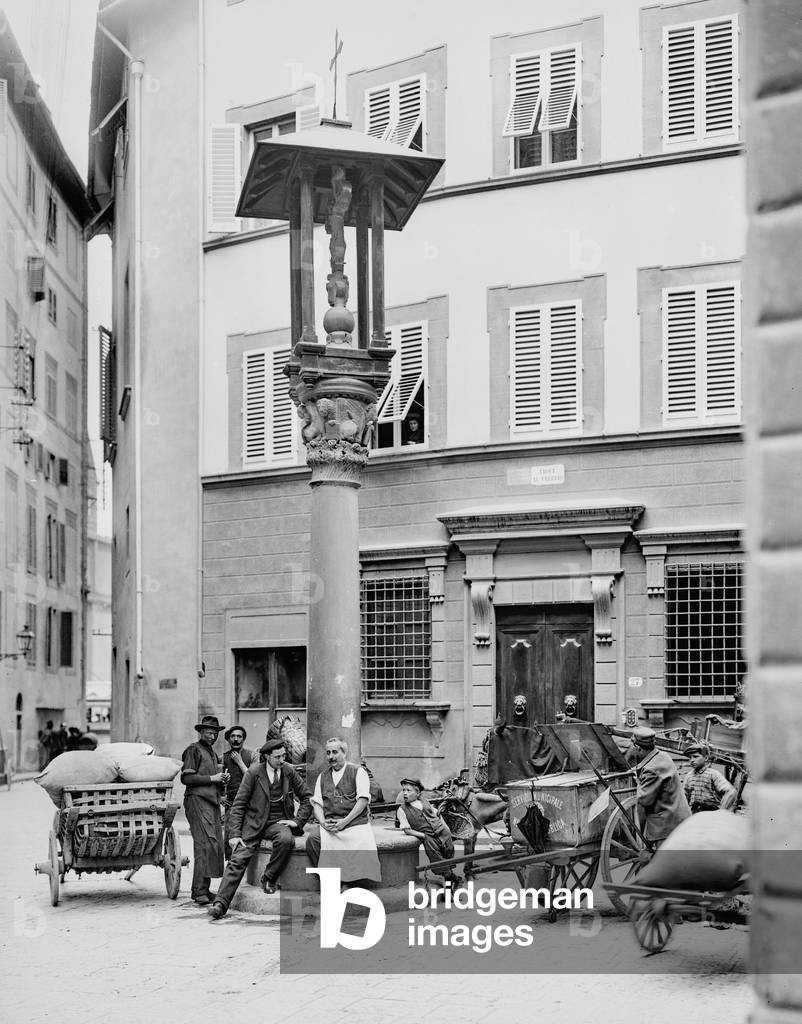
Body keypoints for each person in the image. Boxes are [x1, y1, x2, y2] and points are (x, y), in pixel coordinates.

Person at [208, 739, 312, 919]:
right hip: (253, 824)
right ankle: (220, 903)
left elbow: (307, 798)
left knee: (286, 839)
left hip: (278, 823)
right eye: (277, 757)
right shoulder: (254, 773)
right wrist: (234, 834)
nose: (281, 760)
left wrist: (297, 821)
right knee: (238, 858)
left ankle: (269, 877)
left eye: (284, 756)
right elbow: (239, 804)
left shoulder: (288, 770)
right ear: (266, 757)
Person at [305, 737, 381, 883]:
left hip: (354, 823)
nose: (331, 757)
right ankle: (329, 881)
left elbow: (363, 801)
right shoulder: (323, 776)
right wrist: (322, 823)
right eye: (328, 753)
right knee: (313, 840)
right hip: (331, 823)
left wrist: (344, 822)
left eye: (335, 752)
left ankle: (350, 881)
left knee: (362, 842)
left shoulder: (358, 772)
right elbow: (317, 804)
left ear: (344, 753)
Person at [181, 715, 229, 905]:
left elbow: (214, 777)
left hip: (211, 802)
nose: (212, 735)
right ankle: (198, 892)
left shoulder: (211, 752)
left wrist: (222, 784)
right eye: (208, 732)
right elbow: (187, 779)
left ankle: (204, 889)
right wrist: (213, 779)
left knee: (213, 845)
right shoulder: (193, 750)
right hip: (196, 800)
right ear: (201, 732)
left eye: (215, 732)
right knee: (203, 844)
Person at [630, 727, 691, 843]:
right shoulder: (663, 756)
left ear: (637, 747)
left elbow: (644, 801)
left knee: (667, 860)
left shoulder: (652, 769)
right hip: (679, 820)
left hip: (667, 827)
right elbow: (646, 767)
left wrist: (638, 782)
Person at [397, 777, 461, 886]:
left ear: (417, 793)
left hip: (443, 833)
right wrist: (423, 836)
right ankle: (456, 880)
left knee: (448, 858)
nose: (405, 793)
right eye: (403, 790)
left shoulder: (424, 802)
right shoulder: (402, 810)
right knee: (439, 863)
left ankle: (449, 889)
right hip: (429, 839)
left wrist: (447, 830)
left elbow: (437, 815)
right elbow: (407, 830)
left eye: (409, 790)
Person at [222, 726, 255, 858]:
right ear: (229, 740)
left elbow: (253, 778)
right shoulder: (222, 758)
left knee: (249, 839)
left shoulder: (253, 756)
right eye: (233, 736)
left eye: (239, 736)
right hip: (231, 806)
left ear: (244, 738)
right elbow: (215, 781)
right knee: (231, 839)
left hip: (250, 806)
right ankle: (232, 868)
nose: (236, 739)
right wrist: (220, 796)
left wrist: (240, 762)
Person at [683, 741, 737, 813]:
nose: (692, 760)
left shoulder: (713, 774)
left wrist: (721, 812)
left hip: (711, 813)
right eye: (690, 758)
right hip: (695, 813)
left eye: (695, 756)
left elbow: (730, 792)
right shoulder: (689, 776)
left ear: (705, 758)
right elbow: (684, 798)